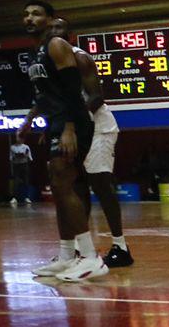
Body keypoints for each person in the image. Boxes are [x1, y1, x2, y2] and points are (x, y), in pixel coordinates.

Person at [19, 3, 106, 282]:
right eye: (27, 14)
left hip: (73, 122)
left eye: (36, 14)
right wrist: (31, 121)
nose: (30, 18)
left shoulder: (56, 45)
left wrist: (68, 127)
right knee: (58, 187)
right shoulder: (36, 52)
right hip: (57, 121)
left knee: (62, 182)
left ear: (50, 19)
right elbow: (46, 93)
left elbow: (71, 90)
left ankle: (91, 258)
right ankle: (67, 256)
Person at [53, 17, 131, 268]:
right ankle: (78, 249)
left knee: (101, 185)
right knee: (77, 188)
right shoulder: (48, 62)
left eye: (60, 28)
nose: (55, 33)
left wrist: (74, 121)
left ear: (70, 35)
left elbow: (97, 96)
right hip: (77, 130)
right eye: (51, 29)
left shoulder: (80, 58)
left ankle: (121, 246)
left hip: (98, 128)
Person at [8, 130, 34, 206]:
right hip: (16, 165)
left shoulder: (26, 147)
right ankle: (15, 198)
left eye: (20, 138)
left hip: (24, 165)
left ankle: (27, 197)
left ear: (23, 139)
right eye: (17, 137)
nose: (18, 139)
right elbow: (11, 157)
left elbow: (30, 157)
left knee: (26, 181)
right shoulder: (12, 147)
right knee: (16, 182)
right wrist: (16, 156)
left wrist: (25, 156)